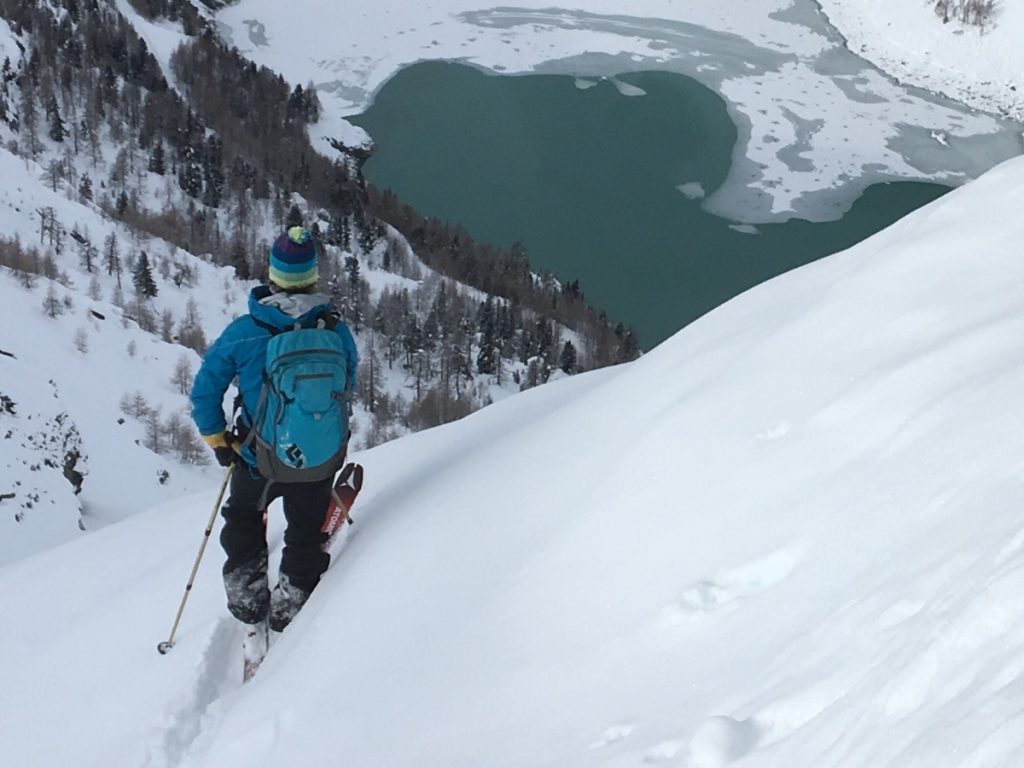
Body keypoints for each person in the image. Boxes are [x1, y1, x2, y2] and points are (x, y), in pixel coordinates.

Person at [190, 226, 358, 645]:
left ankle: (249, 600)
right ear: (313, 276)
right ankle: (292, 599)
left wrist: (218, 440)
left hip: (258, 458)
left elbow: (205, 390)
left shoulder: (246, 332)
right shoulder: (336, 331)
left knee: (244, 516)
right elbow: (348, 383)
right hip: (319, 459)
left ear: (273, 275)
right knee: (305, 526)